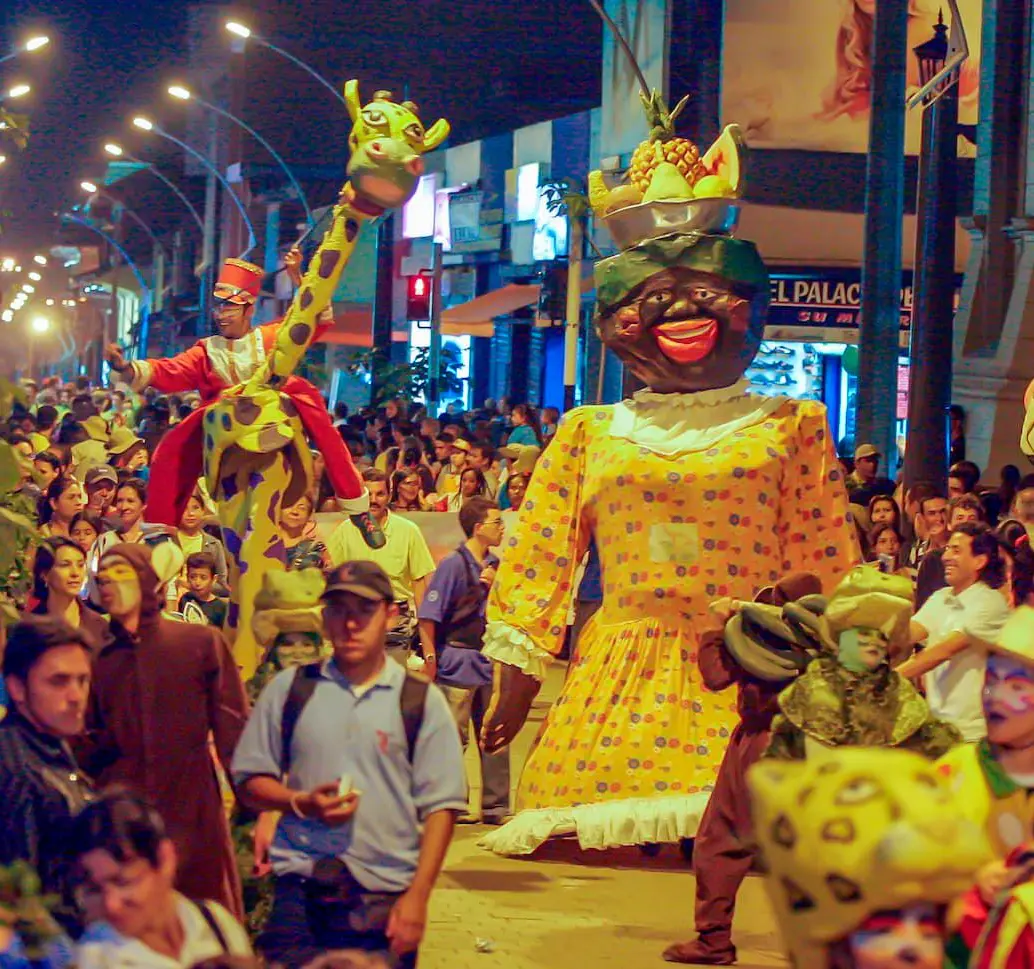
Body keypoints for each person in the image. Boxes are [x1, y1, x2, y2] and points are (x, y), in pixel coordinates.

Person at [232, 560, 467, 968]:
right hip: (299, 892)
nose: (351, 624)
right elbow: (250, 778)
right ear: (325, 618)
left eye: (365, 610)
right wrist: (300, 802)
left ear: (390, 615)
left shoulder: (419, 702)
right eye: (339, 610)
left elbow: (442, 807)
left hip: (383, 898)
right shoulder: (290, 691)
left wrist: (418, 897)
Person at [103, 254, 379, 546]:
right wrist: (125, 367)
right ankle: (160, 532)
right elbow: (169, 370)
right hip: (225, 419)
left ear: (249, 309)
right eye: (218, 307)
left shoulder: (272, 337)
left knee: (323, 426)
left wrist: (298, 277)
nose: (221, 314)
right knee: (169, 452)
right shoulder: (207, 351)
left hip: (272, 407)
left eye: (230, 307)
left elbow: (309, 319)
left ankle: (356, 505)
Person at [77, 543, 249, 919]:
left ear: (146, 579)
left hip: (193, 806)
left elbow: (234, 729)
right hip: (127, 819)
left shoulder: (199, 643)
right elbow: (88, 744)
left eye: (120, 573)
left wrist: (253, 809)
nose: (108, 583)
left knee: (205, 917)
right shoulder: (100, 660)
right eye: (102, 577)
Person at [663, 574, 823, 965]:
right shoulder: (827, 642)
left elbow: (715, 675)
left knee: (721, 840)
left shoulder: (763, 638)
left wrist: (715, 628)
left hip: (763, 741)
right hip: (811, 745)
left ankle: (714, 940)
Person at [70, 791, 254, 967]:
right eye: (95, 890)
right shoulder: (94, 959)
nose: (111, 905)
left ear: (165, 859)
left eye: (124, 883)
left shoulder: (215, 922)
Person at [417, 497, 510, 826]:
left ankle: (496, 806)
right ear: (478, 527)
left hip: (490, 659)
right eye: (497, 522)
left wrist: (496, 588)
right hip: (457, 659)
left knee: (496, 732)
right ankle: (452, 803)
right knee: (454, 738)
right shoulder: (453, 565)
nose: (502, 528)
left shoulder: (496, 564)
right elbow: (428, 616)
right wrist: (431, 659)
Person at [0, 616, 95, 932]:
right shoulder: (16, 768)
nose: (76, 695)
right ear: (17, 687)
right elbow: (20, 895)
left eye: (82, 680)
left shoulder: (52, 743)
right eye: (58, 681)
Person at [900, 523, 1011, 741]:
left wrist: (890, 679)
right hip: (939, 730)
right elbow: (907, 634)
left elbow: (944, 651)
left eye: (956, 550)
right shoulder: (941, 597)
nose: (946, 557)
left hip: (975, 734)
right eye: (948, 549)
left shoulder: (989, 603)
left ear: (979, 561)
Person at [326, 470, 435, 664]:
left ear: (390, 495)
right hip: (354, 617)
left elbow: (420, 590)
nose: (374, 500)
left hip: (396, 619)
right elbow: (330, 578)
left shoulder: (408, 531)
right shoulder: (345, 530)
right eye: (369, 494)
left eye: (380, 494)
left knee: (392, 679)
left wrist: (429, 652)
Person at [28, 538, 110, 642]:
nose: (75, 573)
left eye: (80, 565)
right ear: (44, 574)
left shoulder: (99, 625)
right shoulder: (29, 628)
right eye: (65, 565)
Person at [915, 493, 986, 608]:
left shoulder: (986, 560)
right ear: (948, 524)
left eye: (971, 518)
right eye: (960, 518)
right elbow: (921, 606)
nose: (965, 523)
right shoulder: (933, 560)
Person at [175, 488, 228, 589]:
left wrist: (195, 587)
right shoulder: (168, 540)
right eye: (184, 508)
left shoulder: (214, 544)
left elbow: (222, 584)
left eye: (195, 508)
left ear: (203, 511)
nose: (190, 513)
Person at [178, 552, 229, 627]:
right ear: (187, 577)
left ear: (214, 579)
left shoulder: (221, 607)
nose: (197, 583)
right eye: (192, 577)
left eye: (203, 578)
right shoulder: (185, 599)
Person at [280, 493, 330, 571]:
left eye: (302, 508)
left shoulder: (315, 547)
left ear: (308, 516)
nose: (294, 511)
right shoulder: (264, 544)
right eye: (289, 506)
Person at [907, 492, 949, 569]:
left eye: (943, 511)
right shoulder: (917, 550)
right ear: (922, 518)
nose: (939, 518)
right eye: (932, 513)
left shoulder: (957, 547)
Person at [37, 475, 85, 539]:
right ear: (53, 503)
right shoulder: (41, 536)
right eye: (71, 497)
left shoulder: (89, 530)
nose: (79, 502)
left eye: (79, 497)